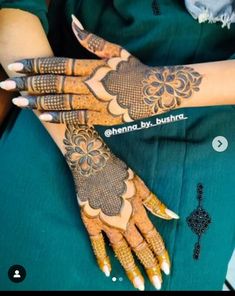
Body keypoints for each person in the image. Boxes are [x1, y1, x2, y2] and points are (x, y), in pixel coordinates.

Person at [0, 0, 234, 291]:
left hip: (212, 116)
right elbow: (13, 12)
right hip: (68, 105)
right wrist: (88, 157)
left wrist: (154, 88)